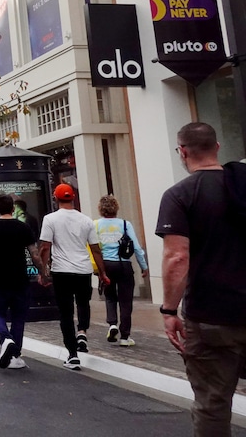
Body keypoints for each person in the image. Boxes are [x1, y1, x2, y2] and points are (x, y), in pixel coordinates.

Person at [157, 121, 246, 435]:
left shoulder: (180, 194)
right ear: (217, 147)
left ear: (182, 152)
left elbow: (177, 257)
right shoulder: (242, 185)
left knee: (213, 403)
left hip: (212, 316)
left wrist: (169, 310)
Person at [38, 183, 111, 371]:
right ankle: (82, 332)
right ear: (73, 198)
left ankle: (72, 355)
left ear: (55, 198)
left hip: (61, 271)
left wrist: (42, 272)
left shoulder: (50, 219)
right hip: (83, 270)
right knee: (83, 303)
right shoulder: (86, 220)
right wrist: (102, 273)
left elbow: (45, 247)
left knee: (66, 313)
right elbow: (95, 249)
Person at [0, 194, 48, 370]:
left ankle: (6, 339)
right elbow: (34, 254)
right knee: (18, 317)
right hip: (20, 279)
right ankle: (15, 355)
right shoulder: (23, 227)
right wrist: (42, 272)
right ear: (13, 209)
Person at [94, 194, 149, 347]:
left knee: (110, 296)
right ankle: (125, 336)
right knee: (126, 300)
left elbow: (92, 247)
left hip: (106, 265)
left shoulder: (96, 225)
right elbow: (136, 248)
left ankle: (112, 324)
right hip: (123, 264)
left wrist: (97, 269)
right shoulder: (125, 224)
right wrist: (144, 266)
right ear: (116, 208)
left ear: (101, 209)